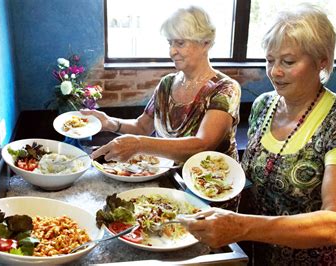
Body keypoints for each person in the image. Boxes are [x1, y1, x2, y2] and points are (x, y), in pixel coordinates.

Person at [180, 3, 336, 265]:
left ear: (322, 61)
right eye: (270, 60)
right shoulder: (264, 105)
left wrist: (244, 226)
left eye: (288, 62)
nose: (275, 72)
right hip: (258, 252)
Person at [81, 7, 240, 164]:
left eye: (180, 43)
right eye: (170, 43)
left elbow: (203, 145)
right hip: (170, 180)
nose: (171, 52)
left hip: (212, 185)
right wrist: (109, 122)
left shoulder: (225, 88)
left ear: (205, 43)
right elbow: (142, 126)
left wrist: (139, 144)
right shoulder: (167, 83)